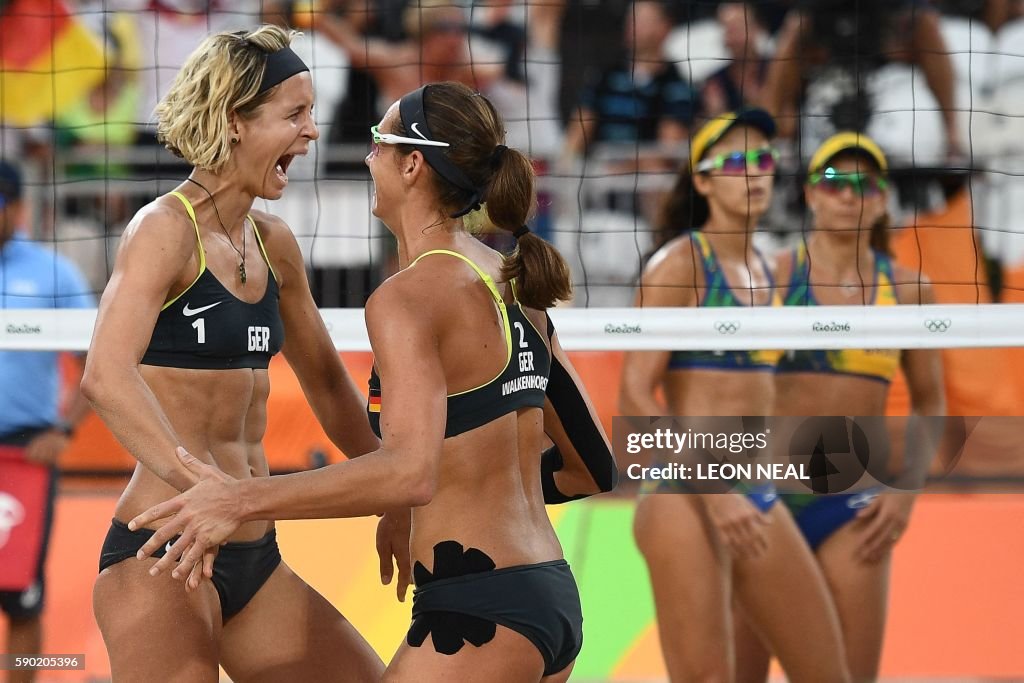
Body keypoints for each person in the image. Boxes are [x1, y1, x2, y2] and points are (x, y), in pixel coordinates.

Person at [127, 80, 618, 682]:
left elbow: (408, 473)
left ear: (413, 164)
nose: (366, 158)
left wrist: (240, 498)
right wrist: (477, 486)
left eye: (378, 143)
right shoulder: (515, 278)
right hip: (547, 594)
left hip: (476, 609)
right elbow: (593, 464)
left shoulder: (407, 297)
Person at [80, 26, 384, 682]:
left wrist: (394, 493)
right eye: (294, 115)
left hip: (255, 556)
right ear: (234, 121)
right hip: (162, 547)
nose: (311, 132)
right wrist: (205, 492)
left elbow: (332, 389)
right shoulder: (163, 229)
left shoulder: (274, 243)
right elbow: (104, 376)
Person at [619, 110, 852, 683]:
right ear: (701, 181)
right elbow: (632, 396)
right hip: (686, 490)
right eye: (735, 162)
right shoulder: (681, 264)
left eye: (763, 160)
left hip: (756, 489)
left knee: (827, 672)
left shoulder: (773, 270)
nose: (754, 173)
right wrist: (716, 490)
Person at [734, 132, 946, 683]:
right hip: (767, 498)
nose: (850, 195)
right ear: (810, 193)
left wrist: (906, 493)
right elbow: (726, 390)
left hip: (853, 502)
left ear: (881, 200)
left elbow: (930, 401)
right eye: (835, 182)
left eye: (866, 184)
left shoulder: (907, 288)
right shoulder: (772, 276)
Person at [0, 160, 94, 683]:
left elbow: (96, 365)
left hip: (23, 455)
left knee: (21, 597)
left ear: (15, 208)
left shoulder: (52, 273)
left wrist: (63, 430)